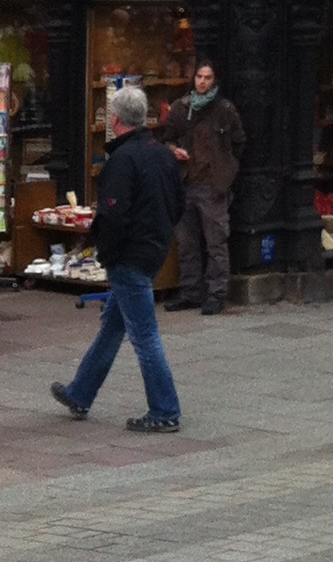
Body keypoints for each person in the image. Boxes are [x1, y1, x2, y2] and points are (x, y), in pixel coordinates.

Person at [51, 85, 185, 433]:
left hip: (129, 255)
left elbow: (113, 215)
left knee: (144, 335)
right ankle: (80, 392)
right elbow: (178, 203)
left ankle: (165, 409)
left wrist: (106, 253)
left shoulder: (122, 161)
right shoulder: (163, 155)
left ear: (114, 120)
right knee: (113, 325)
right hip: (153, 249)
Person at [161, 60, 246, 315]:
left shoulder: (224, 110)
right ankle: (191, 291)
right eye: (199, 76)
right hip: (186, 182)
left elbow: (239, 142)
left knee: (215, 242)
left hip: (212, 185)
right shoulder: (180, 108)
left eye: (207, 78)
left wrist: (226, 172)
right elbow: (167, 139)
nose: (202, 82)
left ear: (214, 81)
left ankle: (216, 293)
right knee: (186, 243)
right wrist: (173, 151)